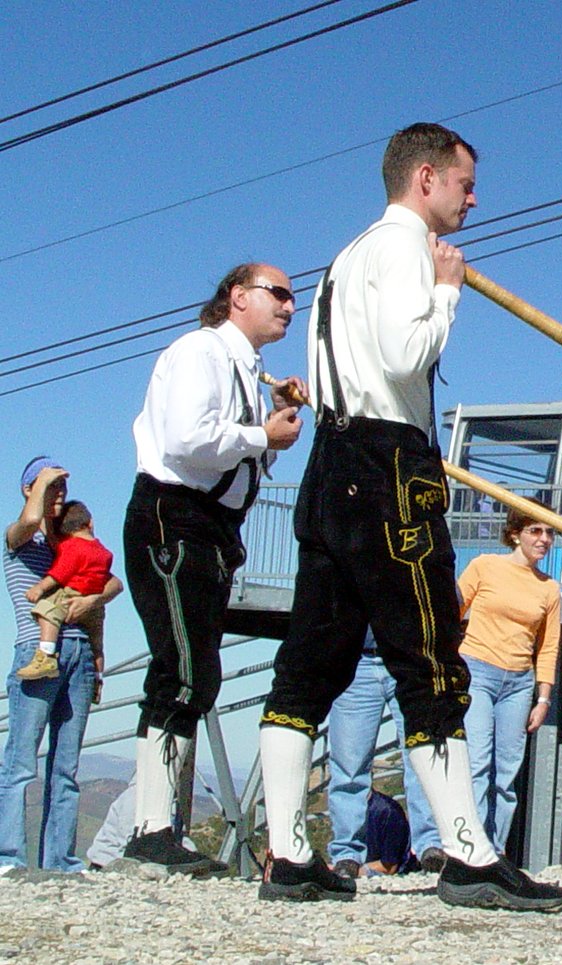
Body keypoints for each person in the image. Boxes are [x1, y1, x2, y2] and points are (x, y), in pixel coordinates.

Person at [256, 123, 562, 911]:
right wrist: (447, 290)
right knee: (429, 658)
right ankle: (468, 853)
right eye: (465, 183)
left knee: (308, 662)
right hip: (390, 463)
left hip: (331, 460)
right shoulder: (403, 250)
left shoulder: (346, 256)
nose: (474, 199)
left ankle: (288, 853)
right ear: (425, 178)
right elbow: (403, 356)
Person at [122, 262, 305, 877]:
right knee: (182, 670)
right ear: (238, 297)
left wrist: (267, 425)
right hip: (174, 518)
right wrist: (261, 435)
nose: (289, 305)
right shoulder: (200, 350)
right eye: (278, 294)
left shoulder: (247, 370)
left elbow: (238, 458)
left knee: (194, 672)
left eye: (291, 297)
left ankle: (158, 830)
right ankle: (151, 831)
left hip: (211, 528)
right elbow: (186, 440)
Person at [1, 458, 123, 873]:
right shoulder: (18, 540)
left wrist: (93, 600)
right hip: (37, 650)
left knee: (66, 766)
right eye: (50, 486)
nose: (58, 494)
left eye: (61, 489)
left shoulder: (67, 545)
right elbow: (29, 520)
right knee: (21, 762)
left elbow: (113, 580)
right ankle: (10, 858)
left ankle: (61, 862)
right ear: (30, 490)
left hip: (79, 654)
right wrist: (45, 481)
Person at [458, 507, 562, 855]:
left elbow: (548, 646)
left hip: (519, 682)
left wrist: (543, 698)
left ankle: (496, 851)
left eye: (549, 532)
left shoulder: (550, 588)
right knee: (477, 763)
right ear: (516, 534)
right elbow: (451, 612)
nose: (544, 539)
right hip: (477, 672)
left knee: (506, 774)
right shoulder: (484, 566)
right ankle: (471, 850)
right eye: (536, 531)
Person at [325, 630, 444, 879]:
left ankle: (431, 844)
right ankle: (347, 854)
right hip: (355, 660)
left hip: (410, 657)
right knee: (348, 765)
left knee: (422, 756)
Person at [17, 500, 112, 682]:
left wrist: (39, 588)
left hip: (72, 593)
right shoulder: (103, 552)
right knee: (97, 645)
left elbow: (61, 572)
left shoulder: (72, 546)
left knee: (46, 611)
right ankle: (97, 678)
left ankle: (46, 655)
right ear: (90, 523)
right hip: (95, 606)